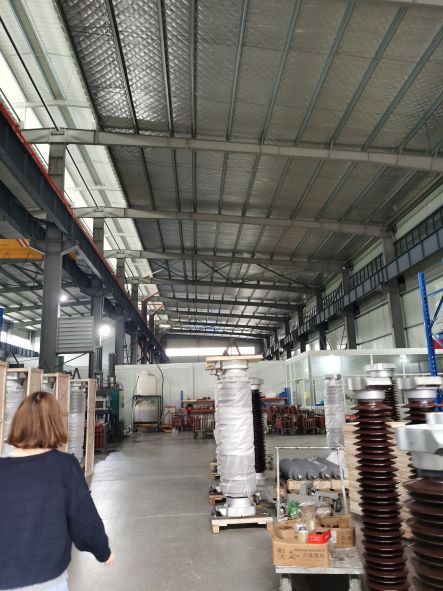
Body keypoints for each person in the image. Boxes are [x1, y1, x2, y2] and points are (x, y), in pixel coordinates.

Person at [0, 391, 115, 590]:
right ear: (55, 423)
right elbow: (83, 518)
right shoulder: (64, 466)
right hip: (47, 577)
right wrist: (103, 551)